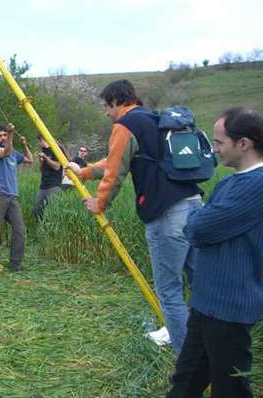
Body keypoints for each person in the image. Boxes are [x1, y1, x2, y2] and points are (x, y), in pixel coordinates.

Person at [68, 80, 203, 355]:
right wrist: (83, 172)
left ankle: (188, 365)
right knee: (200, 283)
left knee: (170, 292)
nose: (107, 113)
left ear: (118, 101)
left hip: (167, 214)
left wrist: (100, 203)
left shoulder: (125, 125)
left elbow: (115, 171)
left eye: (107, 107)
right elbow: (116, 159)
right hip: (194, 205)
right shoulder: (153, 120)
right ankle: (209, 349)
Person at [167, 107, 263, 398]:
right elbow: (200, 223)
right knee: (185, 381)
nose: (215, 149)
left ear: (243, 143)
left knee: (229, 388)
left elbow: (198, 229)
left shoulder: (256, 186)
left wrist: (201, 219)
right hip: (208, 302)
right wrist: (201, 219)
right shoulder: (232, 182)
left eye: (220, 142)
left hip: (230, 307)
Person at [0, 123, 33, 278]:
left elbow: (30, 160)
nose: (3, 138)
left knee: (20, 230)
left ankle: (15, 264)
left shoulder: (14, 153)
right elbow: (5, 152)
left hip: (12, 196)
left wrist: (24, 145)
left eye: (5, 135)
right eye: (0, 136)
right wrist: (11, 134)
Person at [33, 134, 64, 220]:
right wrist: (41, 161)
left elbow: (57, 166)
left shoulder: (57, 149)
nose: (39, 144)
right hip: (43, 185)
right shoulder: (43, 150)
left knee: (51, 211)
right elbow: (41, 170)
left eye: (39, 141)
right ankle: (40, 229)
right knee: (37, 210)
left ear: (42, 139)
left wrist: (46, 158)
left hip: (54, 185)